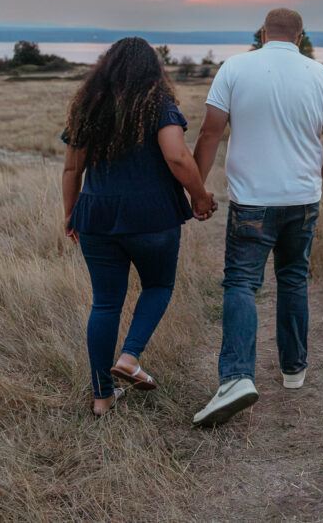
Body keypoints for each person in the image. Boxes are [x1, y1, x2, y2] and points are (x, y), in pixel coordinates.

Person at [190, 8, 323, 427]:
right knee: (294, 278)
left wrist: (197, 190)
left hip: (252, 201)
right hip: (302, 200)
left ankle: (236, 379)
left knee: (242, 282)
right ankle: (294, 370)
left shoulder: (235, 68)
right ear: (300, 38)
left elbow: (211, 133)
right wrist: (314, 175)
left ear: (263, 34)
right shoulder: (321, 76)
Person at [61, 37, 217, 417]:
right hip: (153, 217)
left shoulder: (88, 107)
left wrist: (71, 213)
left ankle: (102, 397)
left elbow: (71, 169)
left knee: (105, 303)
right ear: (153, 70)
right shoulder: (158, 105)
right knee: (159, 285)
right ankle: (130, 357)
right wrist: (199, 196)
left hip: (96, 217)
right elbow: (177, 156)